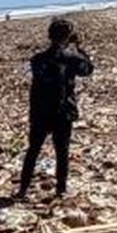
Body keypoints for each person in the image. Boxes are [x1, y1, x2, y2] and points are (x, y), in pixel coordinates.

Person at [17, 17, 94, 201]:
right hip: (62, 111)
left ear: (50, 36)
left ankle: (23, 189)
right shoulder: (71, 58)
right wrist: (78, 48)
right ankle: (61, 189)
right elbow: (88, 69)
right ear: (68, 37)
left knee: (33, 151)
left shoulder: (37, 60)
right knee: (62, 152)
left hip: (41, 112)